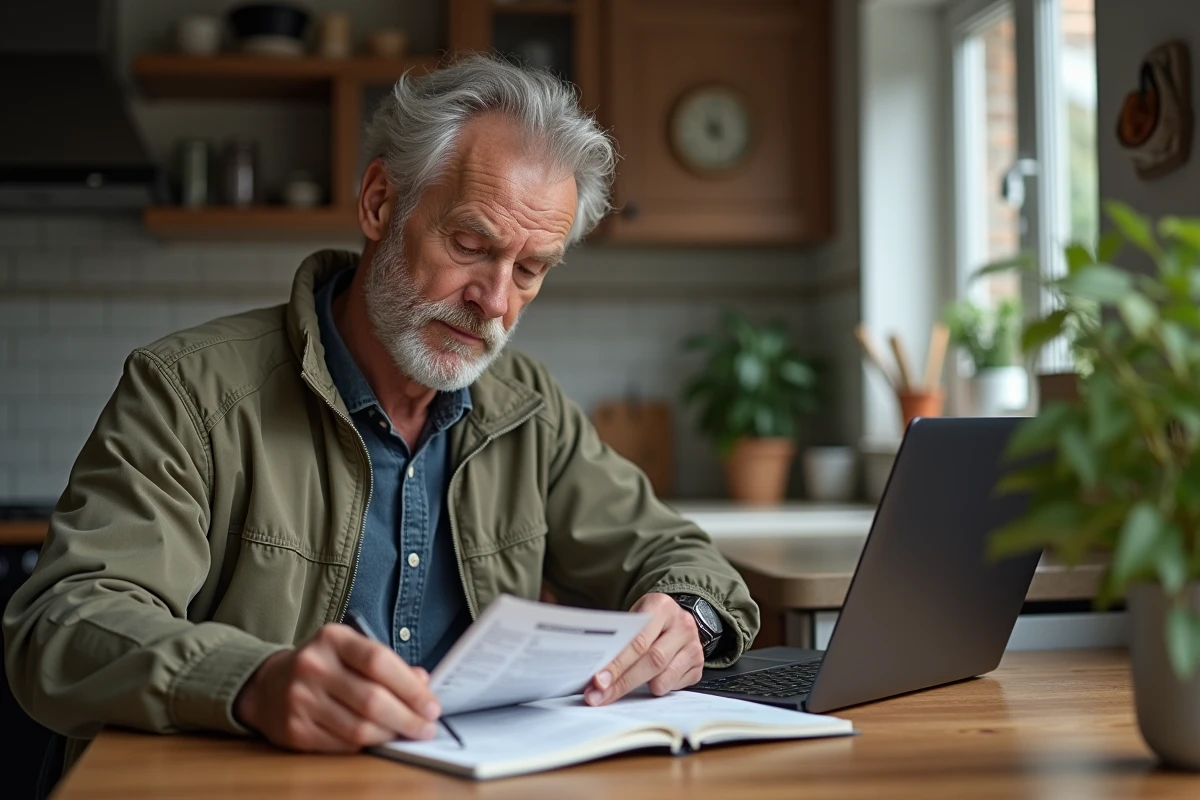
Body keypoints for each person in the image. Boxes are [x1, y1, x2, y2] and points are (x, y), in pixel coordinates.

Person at [3, 55, 759, 773]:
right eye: (471, 245)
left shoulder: (528, 410)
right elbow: (62, 625)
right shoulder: (187, 391)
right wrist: (251, 681)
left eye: (529, 271)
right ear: (378, 203)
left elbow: (679, 557)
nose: (495, 302)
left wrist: (689, 616)